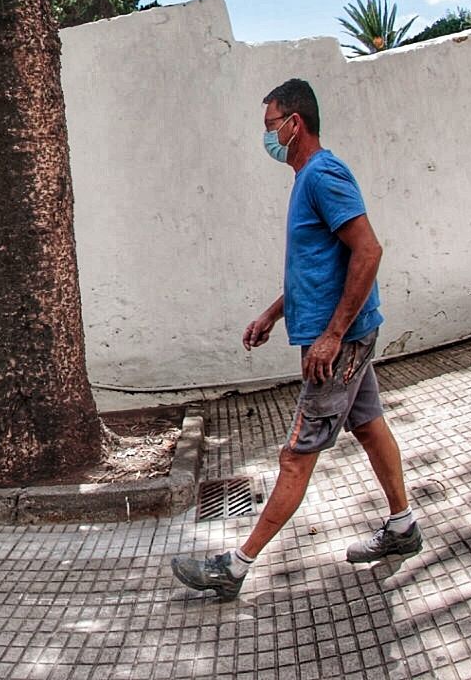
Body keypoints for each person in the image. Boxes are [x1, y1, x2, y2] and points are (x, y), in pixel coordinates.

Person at [171, 78, 420, 601]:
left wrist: (332, 336)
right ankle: (402, 528)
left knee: (294, 455)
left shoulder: (323, 175)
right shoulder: (307, 178)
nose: (266, 138)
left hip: (338, 345)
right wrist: (272, 314)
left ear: (294, 124)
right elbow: (315, 269)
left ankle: (234, 568)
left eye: (270, 126)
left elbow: (368, 252)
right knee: (371, 428)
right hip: (338, 338)